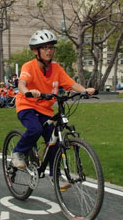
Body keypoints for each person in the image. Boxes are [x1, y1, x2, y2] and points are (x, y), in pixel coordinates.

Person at [11, 29, 95, 189]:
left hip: (45, 110)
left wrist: (84, 90)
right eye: (45, 48)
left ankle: (55, 176)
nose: (49, 51)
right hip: (27, 106)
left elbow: (70, 84)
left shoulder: (56, 68)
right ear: (36, 51)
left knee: (55, 140)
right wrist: (28, 91)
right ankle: (18, 152)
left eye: (51, 47)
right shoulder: (29, 66)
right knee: (34, 129)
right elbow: (22, 83)